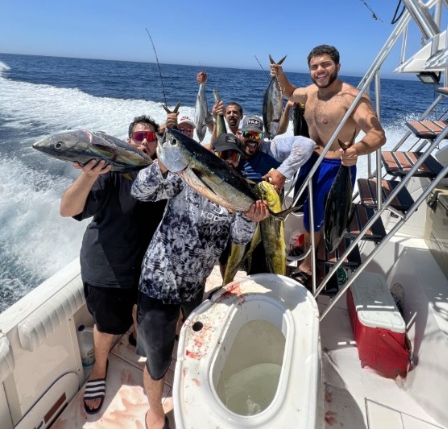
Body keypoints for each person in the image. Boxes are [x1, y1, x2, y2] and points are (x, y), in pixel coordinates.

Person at [131, 135, 269, 429]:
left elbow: (241, 238)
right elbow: (141, 190)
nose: (228, 160)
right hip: (160, 280)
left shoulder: (237, 192)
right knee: (156, 360)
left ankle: (183, 368)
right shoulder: (184, 178)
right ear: (211, 157)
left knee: (189, 337)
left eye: (234, 156)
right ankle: (154, 411)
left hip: (195, 285)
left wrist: (252, 217)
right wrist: (163, 164)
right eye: (223, 155)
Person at [59, 115, 166, 415]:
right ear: (128, 142)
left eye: (150, 137)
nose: (144, 143)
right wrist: (89, 175)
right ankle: (99, 368)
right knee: (107, 327)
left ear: (158, 143)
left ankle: (135, 335)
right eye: (138, 137)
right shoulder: (111, 173)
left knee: (140, 313)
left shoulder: (166, 174)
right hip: (108, 269)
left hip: (146, 269)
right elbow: (67, 209)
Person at [270, 44, 386, 286]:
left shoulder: (353, 98)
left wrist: (355, 150)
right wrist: (280, 75)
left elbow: (377, 134)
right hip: (309, 158)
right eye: (314, 66)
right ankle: (311, 241)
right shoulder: (311, 92)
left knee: (317, 215)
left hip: (335, 166)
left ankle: (308, 266)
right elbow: (290, 93)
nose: (319, 70)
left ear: (338, 66)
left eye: (325, 65)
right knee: (305, 207)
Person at [234, 115, 316, 274]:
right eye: (248, 134)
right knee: (232, 260)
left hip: (267, 220)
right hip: (238, 217)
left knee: (262, 268)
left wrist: (283, 171)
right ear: (238, 133)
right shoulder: (230, 149)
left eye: (257, 135)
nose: (253, 139)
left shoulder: (271, 148)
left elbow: (308, 143)